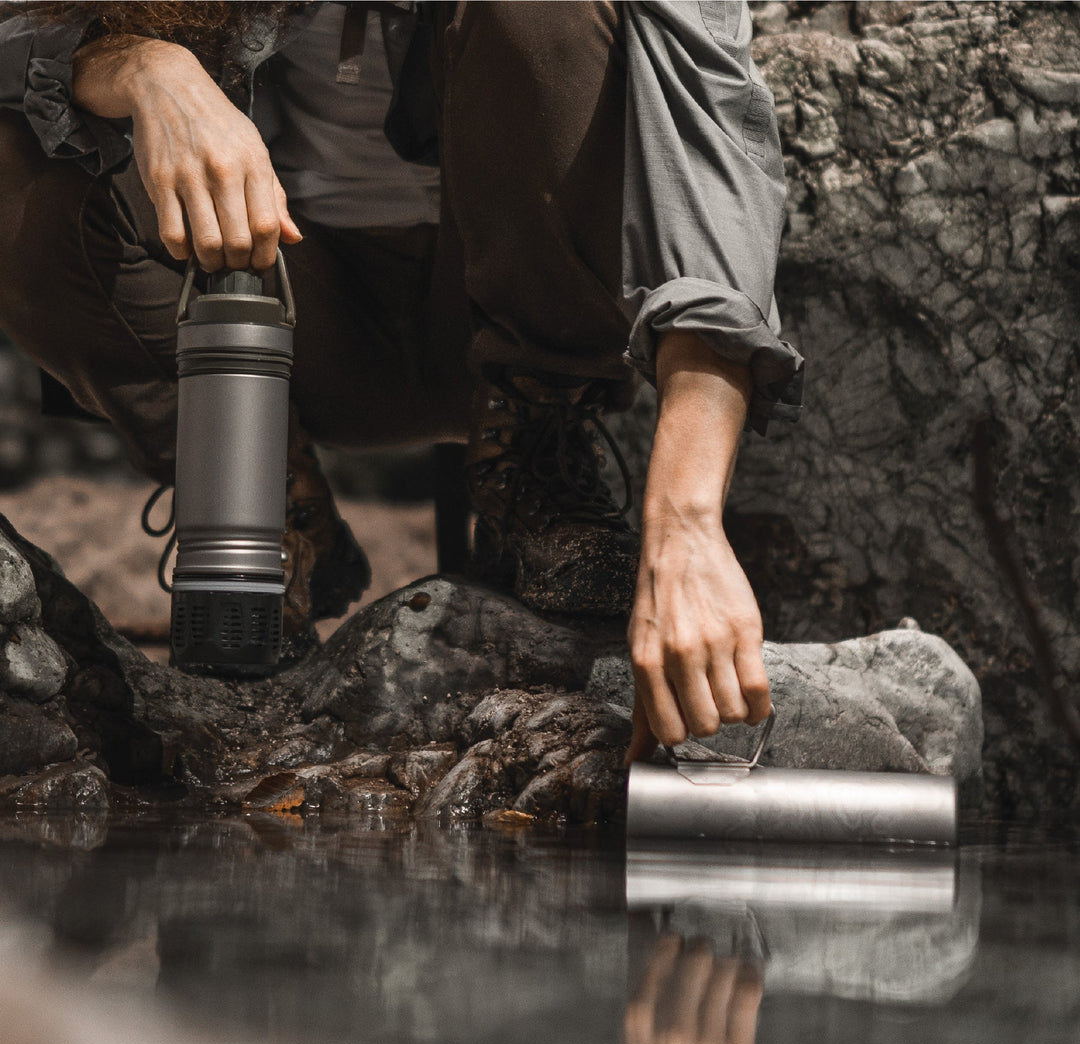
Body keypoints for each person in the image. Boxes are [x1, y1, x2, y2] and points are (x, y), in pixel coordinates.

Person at [0, 1, 803, 761]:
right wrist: (143, 67)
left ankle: (539, 458)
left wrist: (688, 521)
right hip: (270, 307)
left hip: (527, 306)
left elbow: (716, 165)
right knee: (17, 157)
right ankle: (261, 506)